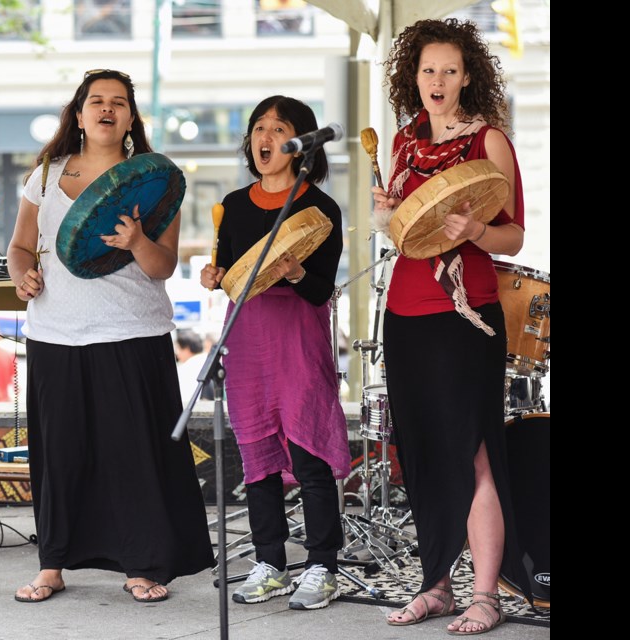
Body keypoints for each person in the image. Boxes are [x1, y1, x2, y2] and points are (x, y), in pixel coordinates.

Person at [7, 69, 214, 603]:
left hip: (131, 333)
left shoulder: (154, 179)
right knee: (60, 455)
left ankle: (142, 565)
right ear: (78, 115)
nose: (106, 109)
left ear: (130, 117)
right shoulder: (46, 175)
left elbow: (163, 267)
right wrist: (20, 274)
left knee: (133, 456)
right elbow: (19, 246)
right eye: (95, 101)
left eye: (117, 102)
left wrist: (138, 238)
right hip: (55, 334)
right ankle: (52, 565)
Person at [372, 19, 529, 634]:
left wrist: (477, 234)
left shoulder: (488, 141)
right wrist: (386, 214)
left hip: (465, 317)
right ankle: (435, 585)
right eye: (428, 69)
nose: (437, 80)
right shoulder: (403, 142)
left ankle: (485, 595)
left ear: (469, 77)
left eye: (450, 70)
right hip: (404, 312)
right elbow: (407, 234)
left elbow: (514, 233)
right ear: (413, 75)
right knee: (423, 454)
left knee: (474, 452)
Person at [200, 96, 350, 611]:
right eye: (258, 128)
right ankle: (269, 561)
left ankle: (322, 566)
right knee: (257, 458)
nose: (264, 137)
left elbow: (321, 291)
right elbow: (231, 279)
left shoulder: (320, 210)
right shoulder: (234, 205)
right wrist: (214, 276)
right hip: (247, 339)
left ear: (299, 143)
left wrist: (295, 272)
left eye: (278, 129)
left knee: (308, 455)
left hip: (297, 339)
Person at [174, 328, 207, 403]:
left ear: (186, 349)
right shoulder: (208, 360)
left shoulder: (185, 369)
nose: (177, 353)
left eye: (178, 348)